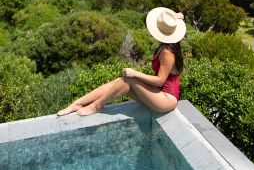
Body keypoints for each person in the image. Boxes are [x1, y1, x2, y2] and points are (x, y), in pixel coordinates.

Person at [57, 7, 186, 116]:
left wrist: (135, 73)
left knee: (129, 79)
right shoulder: (168, 45)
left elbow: (160, 81)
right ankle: (77, 103)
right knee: (120, 81)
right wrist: (176, 17)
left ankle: (96, 106)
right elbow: (178, 17)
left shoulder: (167, 53)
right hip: (157, 94)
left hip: (166, 100)